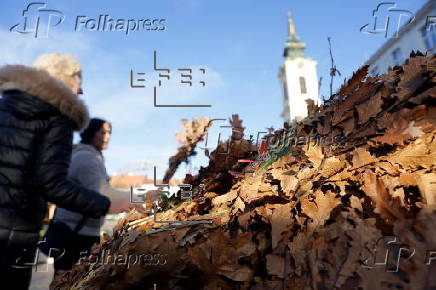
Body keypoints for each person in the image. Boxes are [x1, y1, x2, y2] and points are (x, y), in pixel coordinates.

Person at [0, 54, 112, 289]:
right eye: (79, 83)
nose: (80, 92)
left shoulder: (5, 107)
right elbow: (51, 184)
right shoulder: (56, 117)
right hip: (13, 235)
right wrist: (107, 204)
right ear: (66, 80)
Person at [51, 118, 155, 275]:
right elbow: (102, 192)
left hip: (80, 231)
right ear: (91, 132)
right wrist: (143, 196)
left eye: (109, 132)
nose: (107, 136)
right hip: (75, 235)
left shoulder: (92, 156)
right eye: (103, 132)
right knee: (69, 279)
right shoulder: (86, 158)